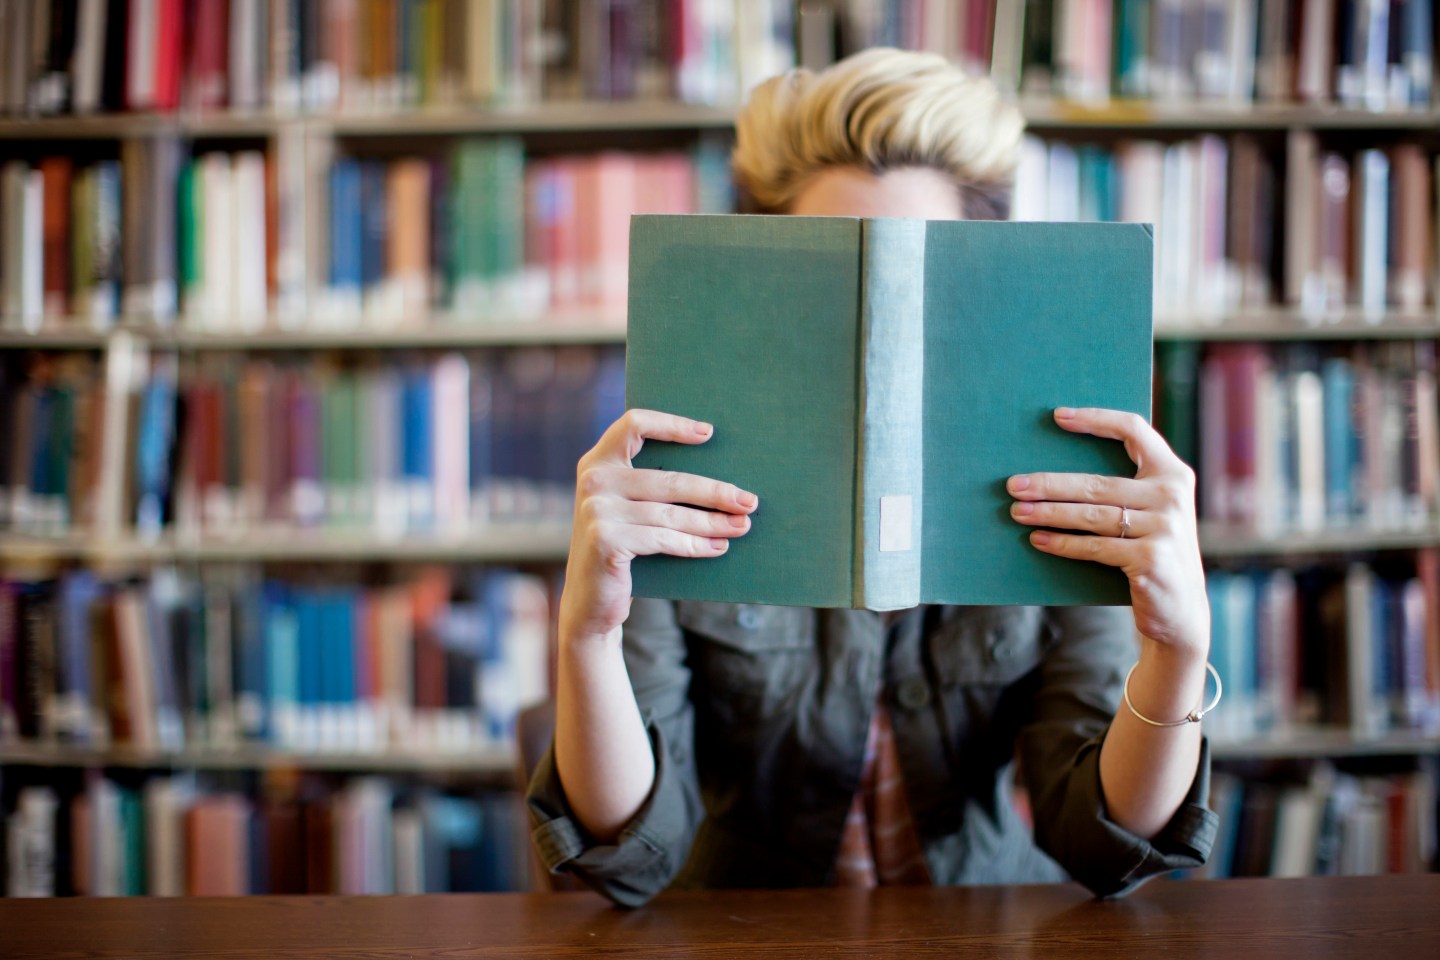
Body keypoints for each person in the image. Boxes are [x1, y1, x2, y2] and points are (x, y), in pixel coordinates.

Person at [527, 48, 1218, 907]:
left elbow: (1102, 839)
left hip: (983, 926)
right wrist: (586, 641)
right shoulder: (686, 479)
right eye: (839, 284)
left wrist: (1178, 650)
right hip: (745, 931)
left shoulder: (1060, 473)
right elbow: (632, 847)